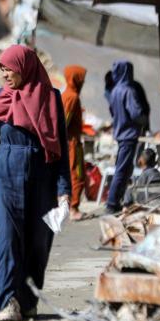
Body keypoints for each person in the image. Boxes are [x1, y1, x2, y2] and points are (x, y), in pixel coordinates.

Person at [0, 44, 70, 321]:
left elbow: (61, 149)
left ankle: (28, 301)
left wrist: (64, 191)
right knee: (8, 241)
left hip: (44, 182)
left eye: (9, 67)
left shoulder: (52, 99)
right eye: (1, 68)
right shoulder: (1, 99)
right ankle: (8, 302)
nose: (4, 73)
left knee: (39, 243)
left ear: (25, 67)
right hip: (6, 178)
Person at [105, 60, 149, 213]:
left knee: (125, 169)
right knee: (122, 170)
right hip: (129, 135)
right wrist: (143, 120)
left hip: (121, 134)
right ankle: (111, 204)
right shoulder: (128, 91)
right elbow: (136, 113)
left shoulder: (115, 90)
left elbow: (112, 112)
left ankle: (117, 200)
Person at [62, 65, 87, 221]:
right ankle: (74, 208)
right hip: (72, 143)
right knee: (77, 174)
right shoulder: (72, 97)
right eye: (81, 79)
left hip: (69, 141)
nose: (82, 82)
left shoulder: (66, 94)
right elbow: (64, 121)